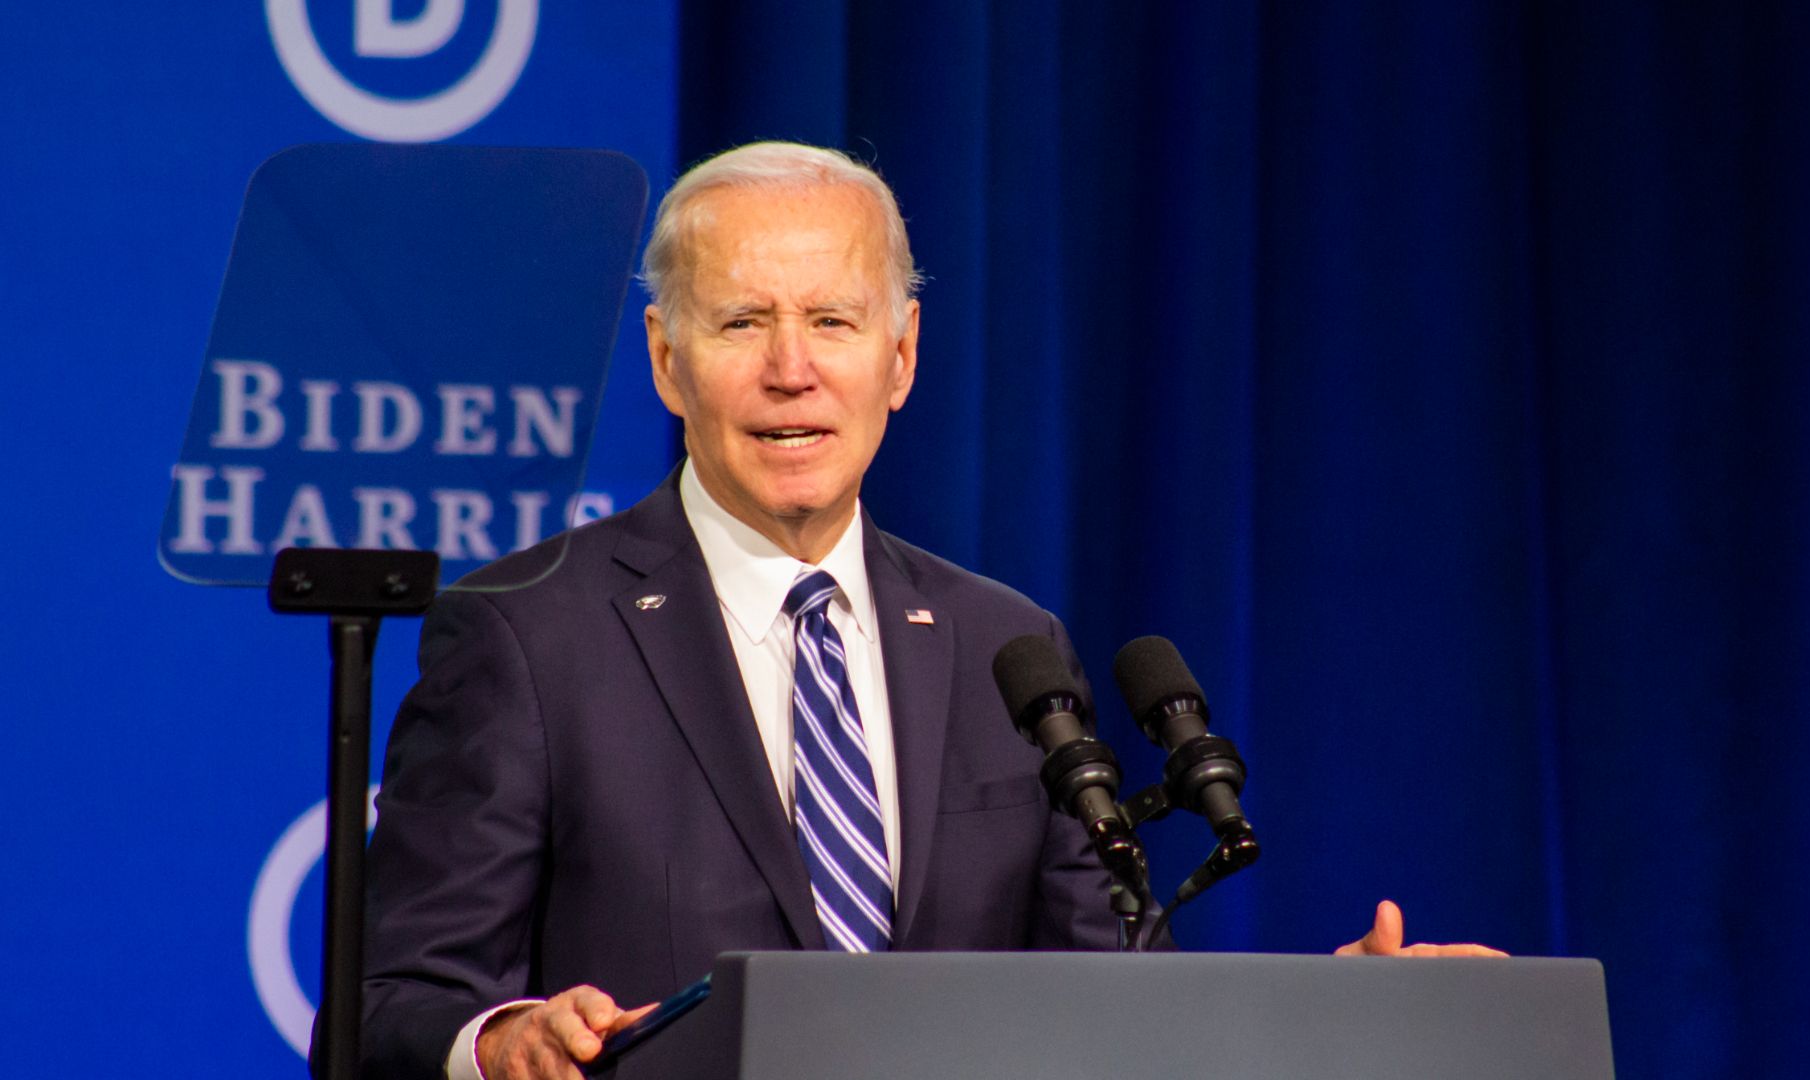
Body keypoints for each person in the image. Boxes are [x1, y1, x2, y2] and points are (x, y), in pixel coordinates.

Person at [347, 141, 1501, 1080]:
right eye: (743, 322)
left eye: (835, 323)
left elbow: (1117, 1009)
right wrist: (499, 1045)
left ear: (899, 360)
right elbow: (387, 1007)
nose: (791, 368)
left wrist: (1332, 1016)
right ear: (665, 360)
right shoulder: (525, 633)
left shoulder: (1008, 644)